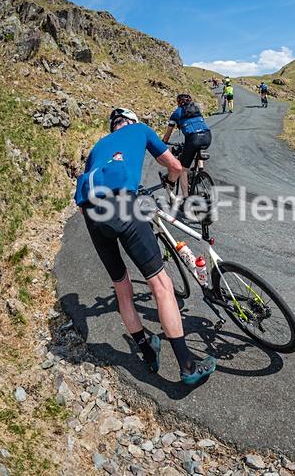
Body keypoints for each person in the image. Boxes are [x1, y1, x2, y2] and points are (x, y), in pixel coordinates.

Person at [74, 107, 216, 386]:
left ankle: (148, 350)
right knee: (161, 286)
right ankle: (188, 366)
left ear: (113, 126)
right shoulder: (139, 129)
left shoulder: (97, 147)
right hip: (123, 206)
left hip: (93, 217)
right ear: (131, 121)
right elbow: (175, 166)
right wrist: (170, 182)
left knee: (122, 289)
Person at [162, 94, 212, 198]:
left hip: (193, 138)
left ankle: (186, 198)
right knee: (197, 149)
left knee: (183, 169)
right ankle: (200, 171)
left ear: (178, 103)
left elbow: (169, 132)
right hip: (207, 136)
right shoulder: (196, 109)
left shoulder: (176, 113)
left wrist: (164, 141)